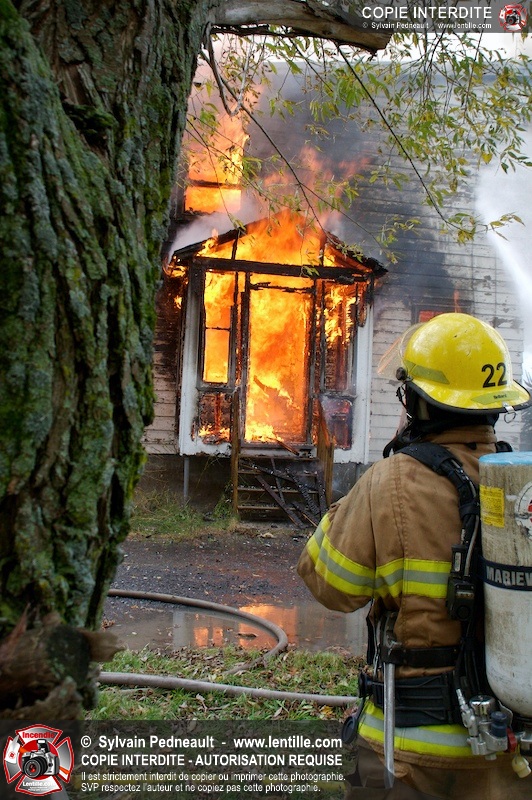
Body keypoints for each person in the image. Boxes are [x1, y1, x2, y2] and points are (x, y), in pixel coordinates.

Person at [297, 313, 532, 800]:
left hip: (406, 754)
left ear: (421, 404)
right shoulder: (520, 488)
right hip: (509, 756)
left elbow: (329, 584)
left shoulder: (391, 481)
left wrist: (358, 498)